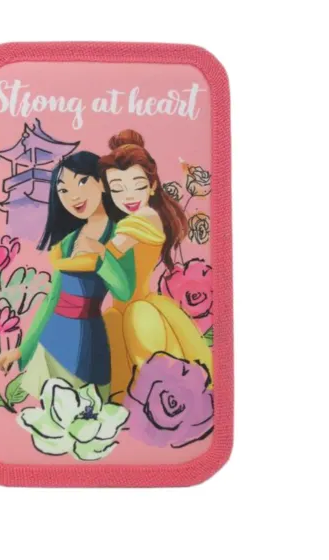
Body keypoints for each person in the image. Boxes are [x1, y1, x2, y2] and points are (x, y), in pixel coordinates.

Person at [78, 130, 213, 402]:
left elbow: (111, 251)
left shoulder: (143, 218)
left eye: (137, 185)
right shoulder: (127, 221)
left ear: (152, 186)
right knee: (118, 366)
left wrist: (91, 245)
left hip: (139, 306)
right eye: (118, 189)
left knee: (148, 364)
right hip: (119, 307)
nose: (128, 195)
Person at [0, 151, 135, 401]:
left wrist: (102, 253)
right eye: (63, 190)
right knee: (50, 413)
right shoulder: (68, 241)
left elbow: (124, 291)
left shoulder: (121, 233)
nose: (73, 196)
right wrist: (22, 349)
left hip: (87, 340)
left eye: (81, 181)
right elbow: (52, 300)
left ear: (102, 182)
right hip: (52, 339)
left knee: (87, 410)